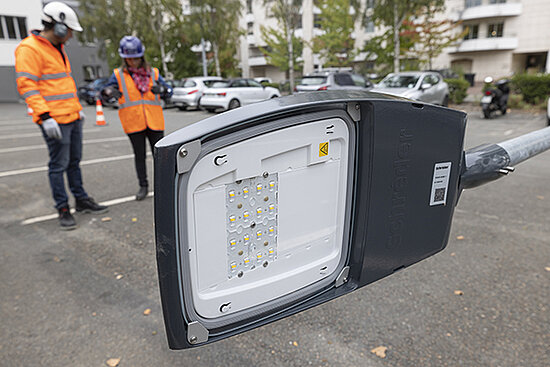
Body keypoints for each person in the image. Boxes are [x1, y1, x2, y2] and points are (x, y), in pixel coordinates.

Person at [15, 1, 108, 230]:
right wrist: (45, 117)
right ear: (57, 27)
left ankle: (81, 199)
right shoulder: (29, 49)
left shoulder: (58, 48)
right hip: (54, 120)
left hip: (71, 116)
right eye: (69, 31)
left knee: (74, 162)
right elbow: (28, 85)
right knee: (58, 165)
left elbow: (63, 85)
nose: (71, 37)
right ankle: (62, 207)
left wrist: (77, 109)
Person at [101, 36, 172, 201]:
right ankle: (143, 186)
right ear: (124, 59)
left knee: (160, 157)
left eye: (135, 58)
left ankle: (164, 186)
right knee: (139, 156)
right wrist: (108, 93)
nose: (132, 62)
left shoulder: (153, 73)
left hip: (154, 121)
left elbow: (168, 90)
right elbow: (105, 92)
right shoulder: (118, 75)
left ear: (141, 56)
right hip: (133, 122)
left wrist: (162, 89)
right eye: (129, 59)